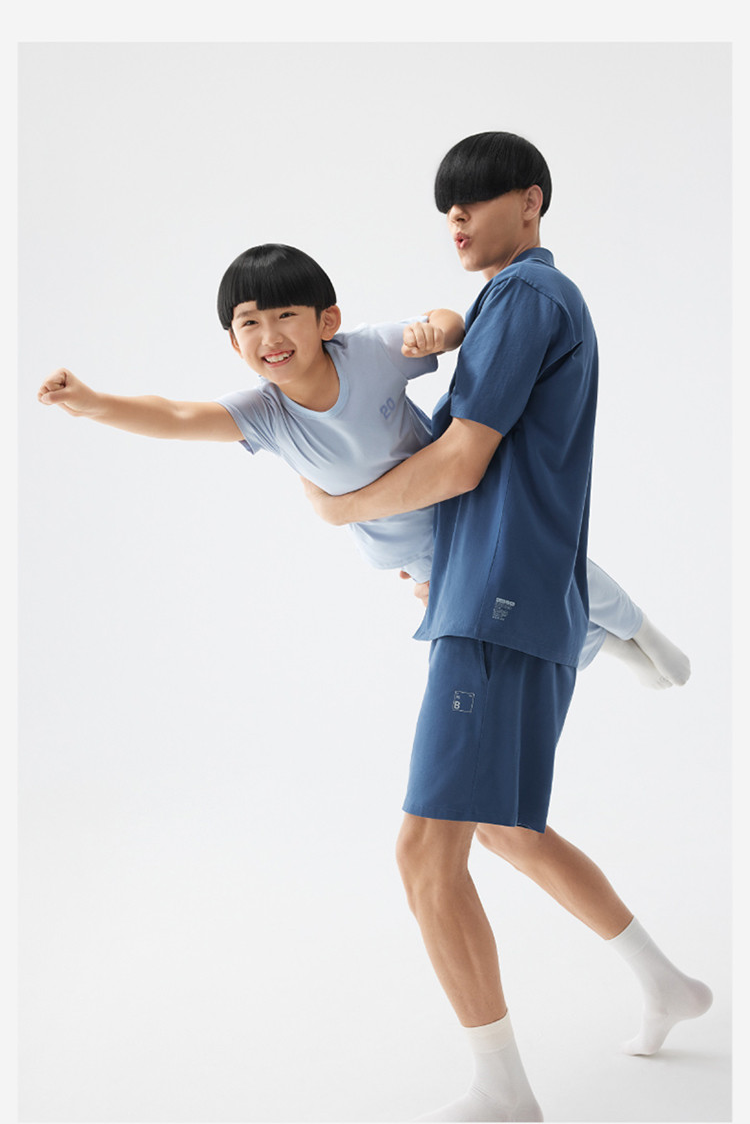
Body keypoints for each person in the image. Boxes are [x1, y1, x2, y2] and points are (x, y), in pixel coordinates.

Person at [300, 133, 712, 1122]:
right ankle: (664, 982)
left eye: (476, 200)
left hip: (498, 601)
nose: (457, 219)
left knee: (424, 855)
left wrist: (342, 507)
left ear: (530, 201)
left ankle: (502, 1091)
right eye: (447, 206)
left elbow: (461, 461)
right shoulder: (510, 302)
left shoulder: (527, 295)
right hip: (502, 591)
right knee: (501, 825)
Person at [37, 242, 688, 693]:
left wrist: (438, 331)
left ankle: (639, 627)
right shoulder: (265, 415)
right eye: (250, 323)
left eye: (286, 315)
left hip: (464, 506)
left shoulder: (367, 353)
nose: (270, 335)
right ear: (234, 342)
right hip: (414, 553)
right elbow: (176, 415)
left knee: (551, 569)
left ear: (328, 320)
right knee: (509, 624)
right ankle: (610, 647)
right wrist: (92, 403)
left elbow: (445, 320)